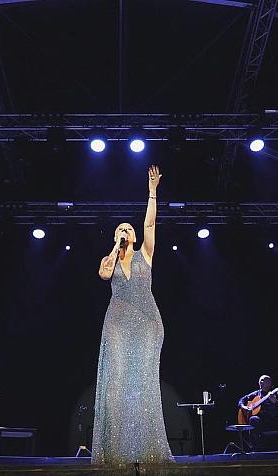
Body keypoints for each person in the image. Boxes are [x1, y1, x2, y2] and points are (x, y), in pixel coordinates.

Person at [91, 165, 173, 465]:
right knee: (116, 380)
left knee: (144, 382)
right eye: (120, 229)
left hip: (147, 319)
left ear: (135, 236)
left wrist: (152, 192)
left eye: (128, 229)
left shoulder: (145, 255)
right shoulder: (109, 259)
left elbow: (150, 224)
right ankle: (114, 451)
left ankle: (149, 449)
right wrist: (115, 247)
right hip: (117, 319)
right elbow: (104, 275)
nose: (125, 232)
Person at [238, 375, 278, 450]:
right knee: (253, 419)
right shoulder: (256, 394)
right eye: (260, 380)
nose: (261, 382)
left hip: (277, 420)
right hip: (263, 421)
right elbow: (242, 399)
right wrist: (243, 407)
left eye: (263, 380)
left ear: (270, 382)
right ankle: (255, 449)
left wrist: (275, 402)